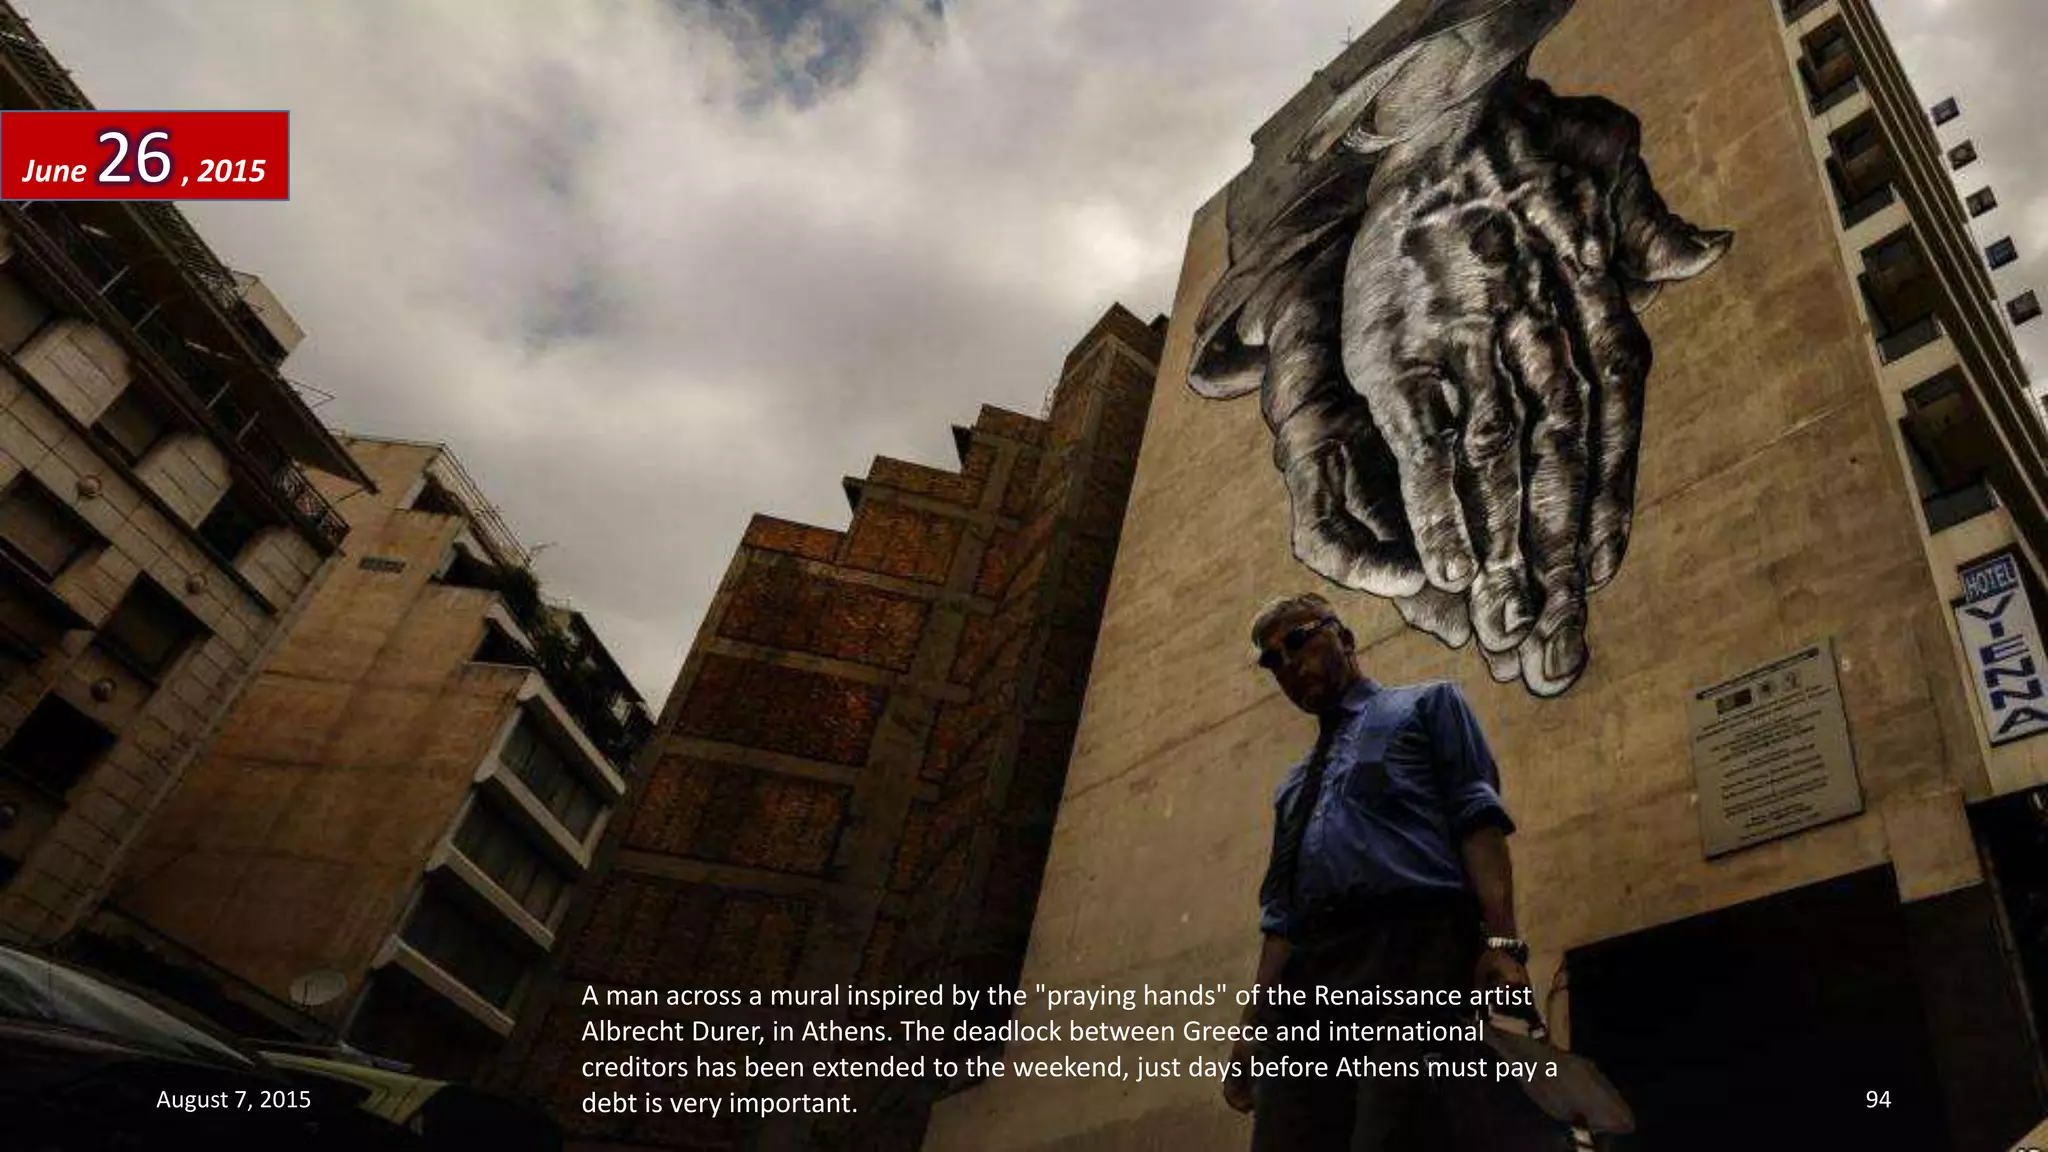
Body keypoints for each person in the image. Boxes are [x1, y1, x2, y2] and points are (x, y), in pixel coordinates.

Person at [1221, 592, 1554, 1150]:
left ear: (1345, 638)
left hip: (1413, 950)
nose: (1288, 664)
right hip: (1311, 975)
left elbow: (1477, 820)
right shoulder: (1291, 790)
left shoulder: (1427, 707)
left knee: (1399, 1126)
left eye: (1299, 640)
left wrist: (1502, 941)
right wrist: (1256, 1025)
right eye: (1273, 660)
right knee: (1288, 1133)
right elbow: (1280, 916)